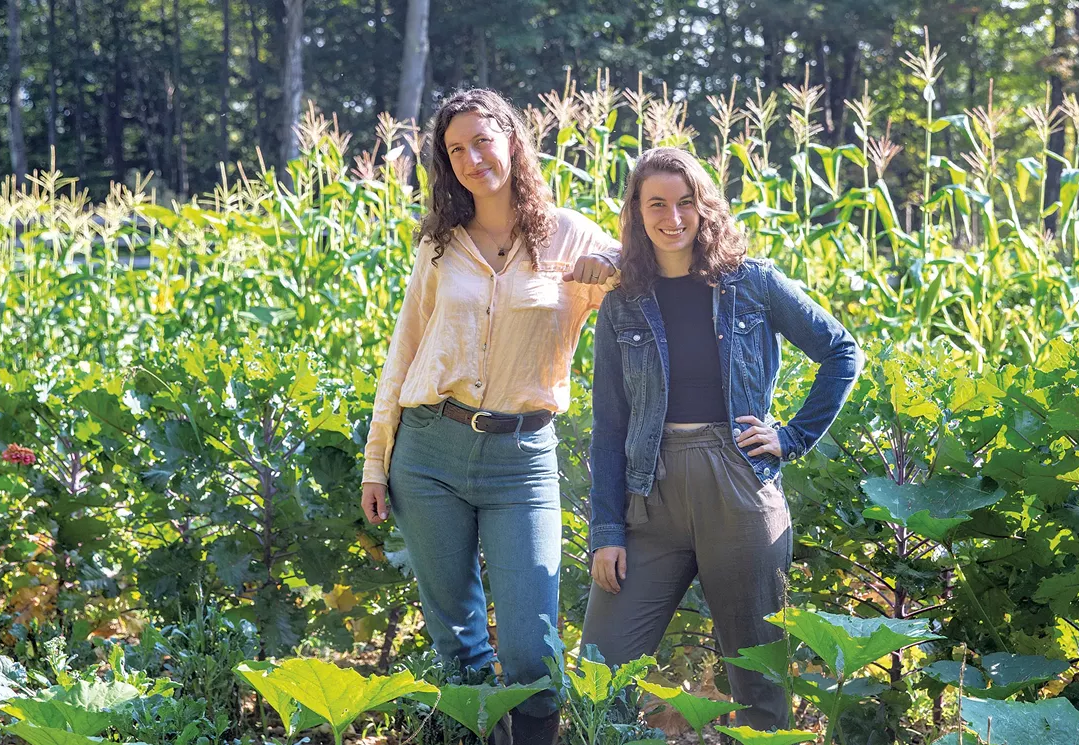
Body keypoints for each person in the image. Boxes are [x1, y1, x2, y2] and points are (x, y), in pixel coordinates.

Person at [359, 88, 619, 745]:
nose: (472, 157)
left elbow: (651, 280)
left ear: (512, 140)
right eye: (455, 150)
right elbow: (405, 348)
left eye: (482, 140)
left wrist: (616, 269)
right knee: (460, 645)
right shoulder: (442, 244)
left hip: (523, 462)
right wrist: (376, 458)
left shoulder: (570, 234)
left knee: (533, 649)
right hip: (428, 454)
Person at [582, 147, 862, 730]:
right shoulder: (623, 304)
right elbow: (609, 427)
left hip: (737, 486)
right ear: (636, 211)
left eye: (686, 202)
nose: (673, 218)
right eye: (657, 204)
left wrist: (792, 437)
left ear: (705, 208)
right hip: (648, 495)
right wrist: (607, 531)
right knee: (598, 672)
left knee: (759, 683)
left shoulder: (751, 284)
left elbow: (841, 350)